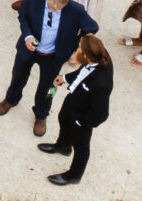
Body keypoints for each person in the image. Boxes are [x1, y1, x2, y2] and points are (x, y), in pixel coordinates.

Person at [0, 0, 100, 137]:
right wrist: (28, 36)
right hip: (29, 49)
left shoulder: (76, 10)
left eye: (59, 6)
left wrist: (76, 49)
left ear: (66, 1)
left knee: (48, 89)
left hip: (54, 56)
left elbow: (92, 28)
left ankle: (41, 114)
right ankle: (11, 99)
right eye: (52, 6)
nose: (55, 9)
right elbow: (23, 17)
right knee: (18, 75)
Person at [41, 34, 113, 185]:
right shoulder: (94, 56)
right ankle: (63, 146)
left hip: (83, 115)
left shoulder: (101, 84)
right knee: (62, 118)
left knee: (81, 146)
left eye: (79, 48)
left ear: (85, 55)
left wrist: (82, 122)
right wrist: (66, 78)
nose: (76, 49)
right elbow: (83, 72)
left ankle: (74, 175)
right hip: (74, 99)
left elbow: (101, 114)